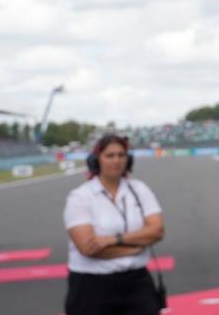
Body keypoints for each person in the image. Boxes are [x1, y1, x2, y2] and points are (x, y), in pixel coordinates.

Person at [63, 135, 165, 315]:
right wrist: (135, 248)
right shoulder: (80, 197)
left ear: (128, 159)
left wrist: (113, 239)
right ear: (96, 160)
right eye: (109, 156)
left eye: (121, 155)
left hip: (137, 283)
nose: (116, 160)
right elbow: (88, 247)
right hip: (91, 287)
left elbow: (157, 231)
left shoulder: (139, 189)